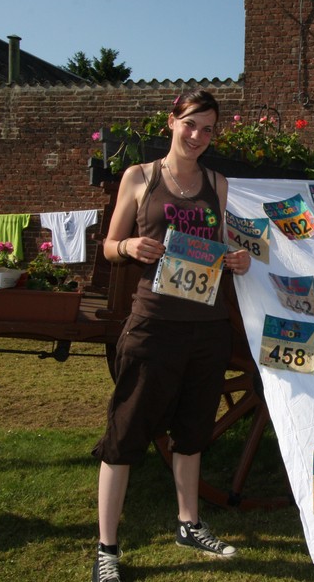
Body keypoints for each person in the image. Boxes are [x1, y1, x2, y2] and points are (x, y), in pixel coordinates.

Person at [91, 89, 252, 582]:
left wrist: (237, 259)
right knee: (126, 433)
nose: (198, 136)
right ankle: (107, 548)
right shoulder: (140, 177)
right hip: (154, 324)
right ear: (172, 122)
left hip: (207, 328)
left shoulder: (217, 183)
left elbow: (220, 245)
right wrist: (129, 247)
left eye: (208, 129)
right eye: (191, 124)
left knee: (193, 430)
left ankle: (189, 523)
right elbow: (109, 245)